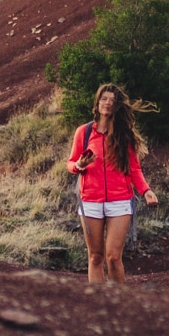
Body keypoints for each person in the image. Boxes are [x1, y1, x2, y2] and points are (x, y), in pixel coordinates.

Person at [67, 83, 158, 285]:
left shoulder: (124, 134)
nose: (108, 103)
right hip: (90, 201)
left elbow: (134, 169)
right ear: (97, 102)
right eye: (104, 99)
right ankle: (99, 305)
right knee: (95, 257)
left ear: (117, 106)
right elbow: (71, 163)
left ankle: (119, 304)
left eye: (112, 100)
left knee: (113, 257)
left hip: (120, 201)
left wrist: (146, 191)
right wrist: (80, 164)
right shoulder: (84, 132)